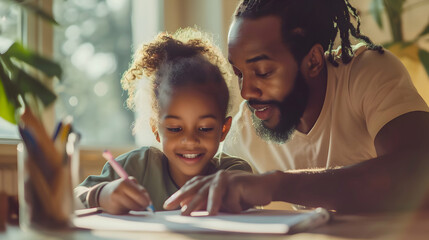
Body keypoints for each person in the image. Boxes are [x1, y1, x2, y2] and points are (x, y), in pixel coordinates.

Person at [163, 0, 429, 215]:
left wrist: (276, 184)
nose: (246, 92)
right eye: (240, 73)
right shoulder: (245, 130)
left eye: (264, 72)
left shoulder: (366, 74)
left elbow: (418, 171)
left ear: (313, 61)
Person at [74, 28, 252, 214]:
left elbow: (247, 197)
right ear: (155, 128)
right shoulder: (135, 166)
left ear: (224, 129)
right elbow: (71, 198)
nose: (190, 140)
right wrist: (101, 194)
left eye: (205, 128)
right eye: (175, 129)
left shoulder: (233, 172)